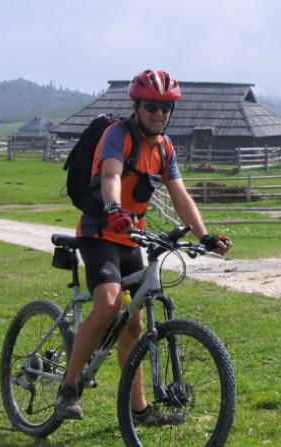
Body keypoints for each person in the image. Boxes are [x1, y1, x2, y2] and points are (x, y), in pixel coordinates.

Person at [55, 69, 231, 424]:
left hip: (131, 237)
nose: (159, 113)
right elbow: (111, 176)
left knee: (133, 325)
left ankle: (139, 410)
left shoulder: (165, 148)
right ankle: (68, 388)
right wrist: (113, 208)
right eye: (152, 106)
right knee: (107, 303)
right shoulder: (117, 134)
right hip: (100, 232)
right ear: (137, 106)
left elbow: (179, 194)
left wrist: (204, 236)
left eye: (166, 108)